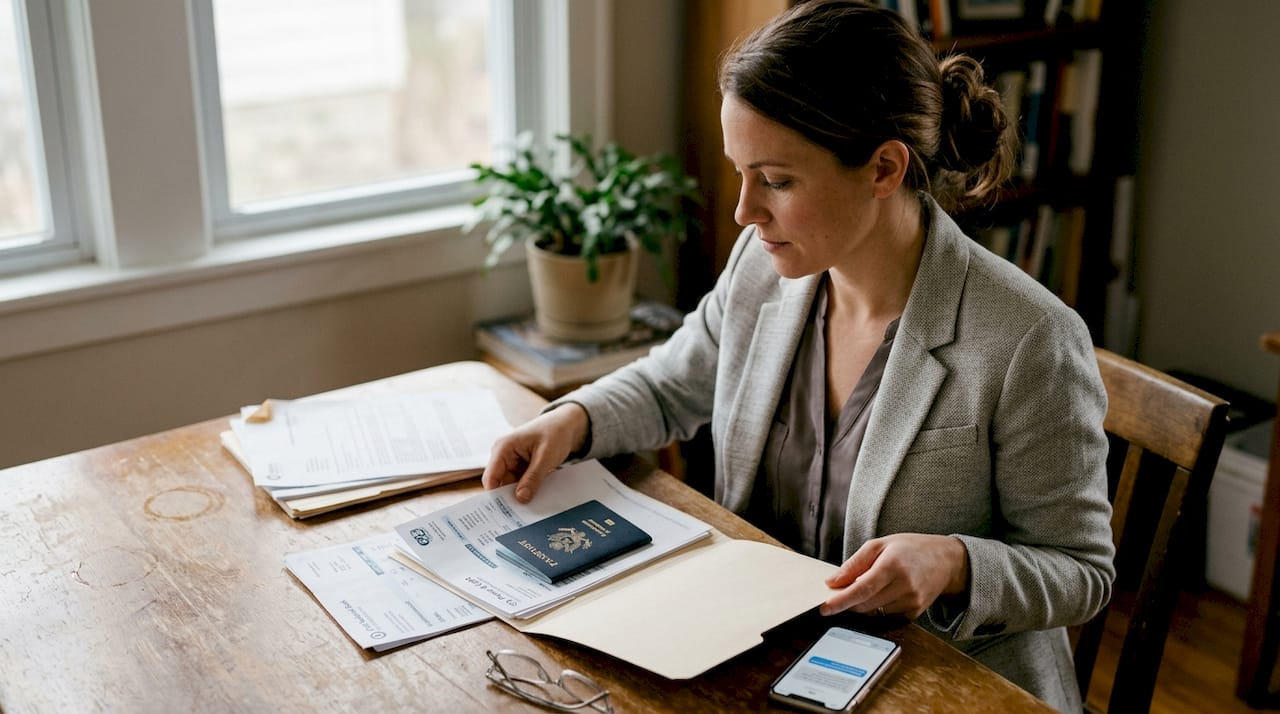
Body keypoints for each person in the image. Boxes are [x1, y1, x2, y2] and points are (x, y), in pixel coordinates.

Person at [481, 1, 1114, 709]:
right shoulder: (767, 260)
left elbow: (1080, 571)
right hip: (764, 653)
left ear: (882, 168)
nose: (744, 213)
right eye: (741, 173)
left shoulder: (1028, 338)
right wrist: (569, 421)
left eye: (777, 181)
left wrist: (956, 562)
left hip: (944, 683)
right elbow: (675, 382)